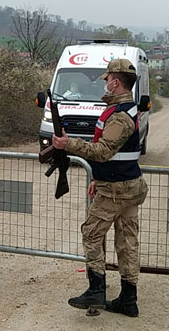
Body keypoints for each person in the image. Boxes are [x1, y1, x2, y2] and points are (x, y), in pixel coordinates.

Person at [52, 58, 149, 317]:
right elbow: (117, 155)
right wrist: (96, 177)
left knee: (91, 234)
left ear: (116, 82)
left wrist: (68, 144)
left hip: (116, 190)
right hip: (125, 186)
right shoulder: (127, 110)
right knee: (127, 242)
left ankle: (96, 291)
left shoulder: (119, 117)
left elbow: (104, 151)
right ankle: (128, 299)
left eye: (107, 80)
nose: (104, 84)